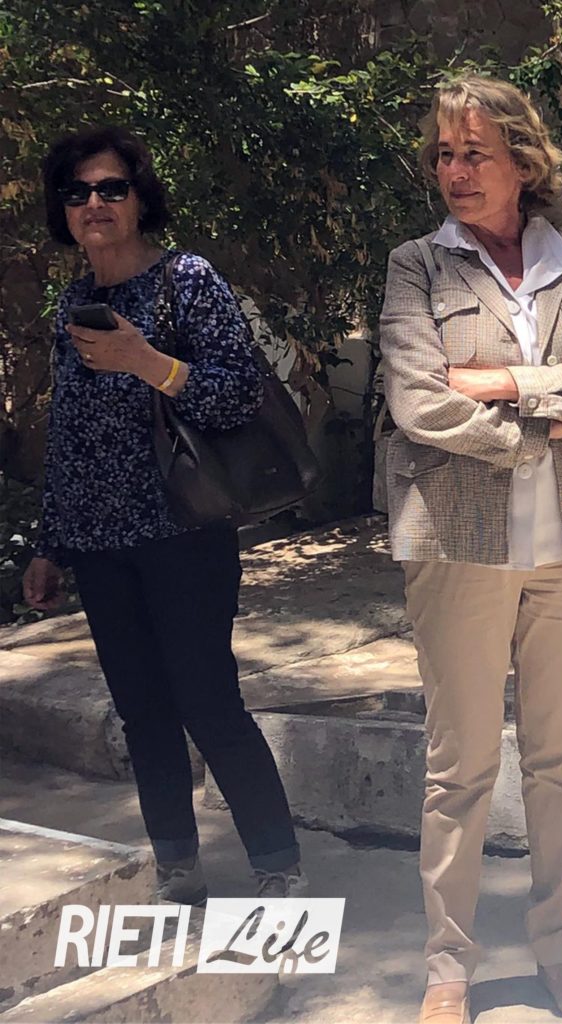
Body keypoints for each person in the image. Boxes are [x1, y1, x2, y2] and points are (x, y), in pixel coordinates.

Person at [379, 76, 562, 1024]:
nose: (455, 172)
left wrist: (501, 385)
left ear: (523, 163)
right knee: (459, 768)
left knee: (559, 760)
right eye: (444, 155)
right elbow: (419, 401)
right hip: (456, 543)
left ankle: (558, 945)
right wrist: (558, 401)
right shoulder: (417, 265)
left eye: (475, 154)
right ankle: (447, 968)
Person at [23, 126, 305, 904]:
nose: (94, 203)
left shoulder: (188, 280)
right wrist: (49, 545)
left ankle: (277, 864)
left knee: (208, 704)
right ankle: (177, 865)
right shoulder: (73, 304)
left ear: (139, 198)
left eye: (111, 188)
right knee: (142, 713)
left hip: (184, 531)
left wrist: (147, 362)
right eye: (77, 192)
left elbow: (238, 394)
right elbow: (71, 436)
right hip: (99, 545)